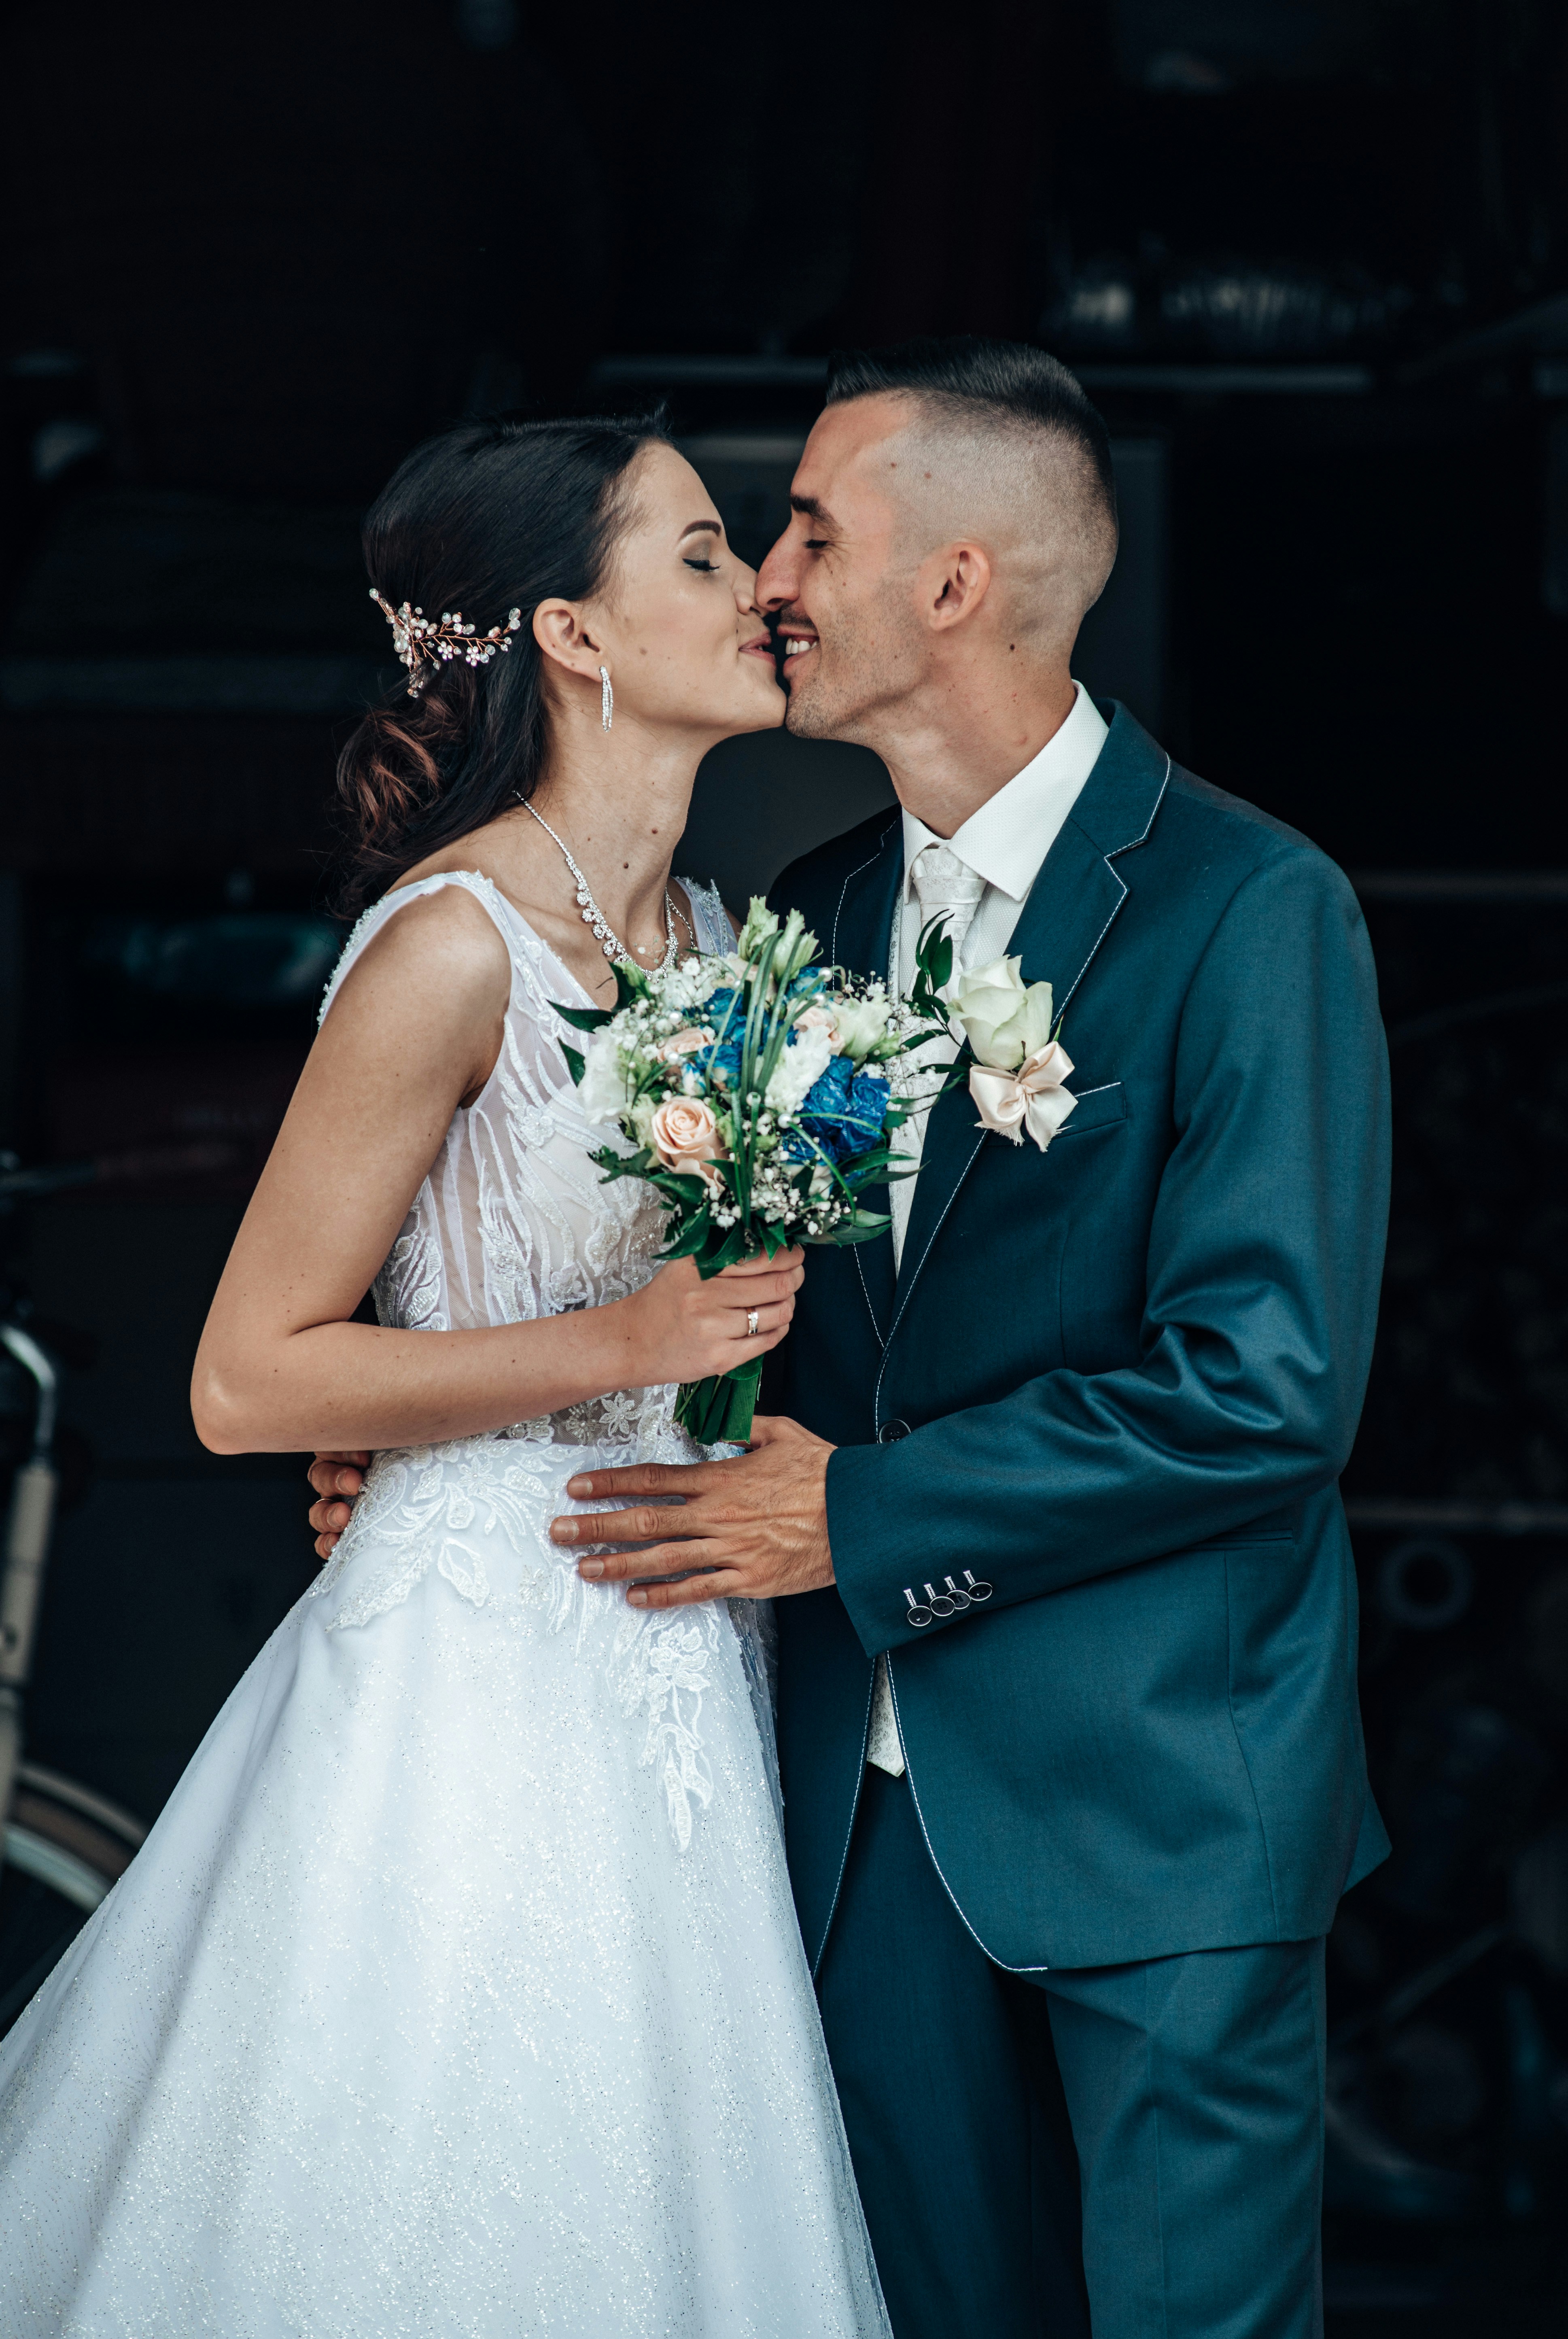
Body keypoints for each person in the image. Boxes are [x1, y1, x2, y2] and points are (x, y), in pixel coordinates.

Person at [468, 338, 1392, 2339]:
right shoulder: (806, 914)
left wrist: (865, 1520)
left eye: (810, 527)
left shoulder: (1251, 909)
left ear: (954, 583)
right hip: (856, 1818)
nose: (770, 574)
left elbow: (1267, 1389)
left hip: (1161, 1805)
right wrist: (451, 1451)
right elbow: (742, 1332)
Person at [0, 414, 892, 2339]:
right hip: (471, 1668)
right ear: (572, 633)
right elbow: (248, 1377)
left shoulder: (733, 946)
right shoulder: (450, 945)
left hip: (682, 1659)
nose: (763, 591)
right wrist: (622, 1346)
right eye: (707, 551)